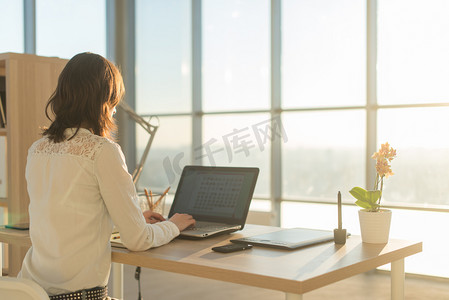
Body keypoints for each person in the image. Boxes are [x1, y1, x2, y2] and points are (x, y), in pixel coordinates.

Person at [17, 52, 195, 300]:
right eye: (113, 101)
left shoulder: (37, 149)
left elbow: (69, 215)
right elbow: (138, 240)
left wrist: (127, 217)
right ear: (103, 101)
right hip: (79, 296)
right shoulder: (102, 151)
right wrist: (173, 225)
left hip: (29, 292)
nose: (114, 110)